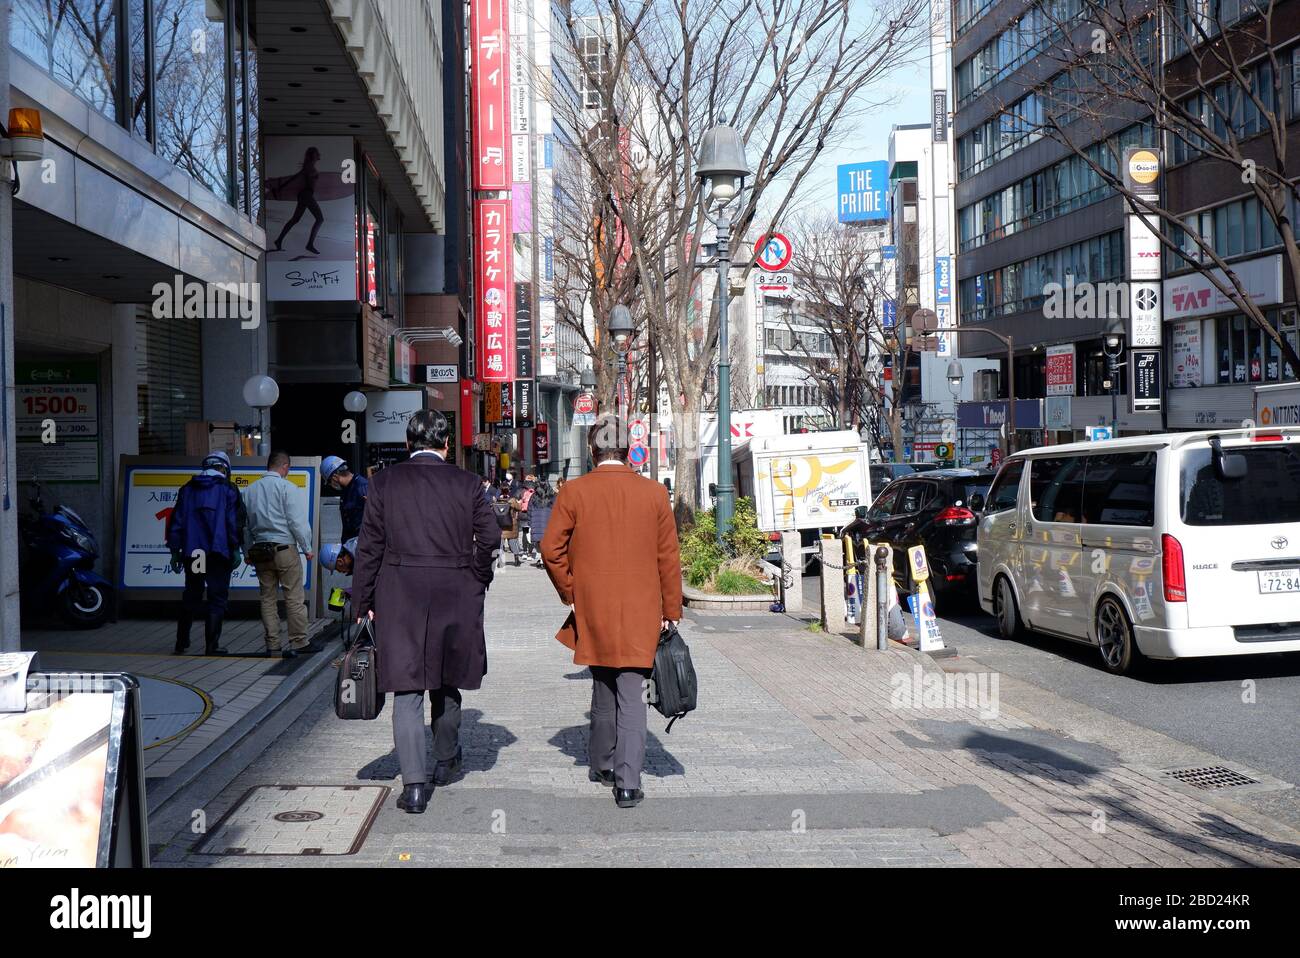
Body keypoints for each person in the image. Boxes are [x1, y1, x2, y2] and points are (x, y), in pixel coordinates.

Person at [352, 410, 499, 814]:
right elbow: (489, 535)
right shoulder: (468, 484)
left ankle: (414, 787)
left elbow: (369, 547)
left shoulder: (384, 483)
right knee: (447, 679)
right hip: (455, 589)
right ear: (447, 444)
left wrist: (362, 602)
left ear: (407, 444)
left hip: (399, 594)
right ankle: (446, 761)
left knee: (407, 685)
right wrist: (478, 574)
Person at [540, 414, 682, 809]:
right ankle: (627, 782)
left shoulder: (574, 492)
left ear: (592, 449)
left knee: (602, 682)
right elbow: (668, 557)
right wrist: (670, 608)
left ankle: (602, 763)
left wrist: (571, 591)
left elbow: (550, 549)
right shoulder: (654, 493)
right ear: (628, 450)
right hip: (641, 608)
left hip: (593, 605)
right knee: (633, 692)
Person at [168, 451, 246, 656]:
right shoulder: (228, 489)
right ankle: (212, 646)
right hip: (219, 553)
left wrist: (175, 551)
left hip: (196, 553)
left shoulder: (188, 489)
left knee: (192, 592)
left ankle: (181, 642)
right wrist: (236, 549)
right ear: (225, 469)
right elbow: (233, 523)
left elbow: (177, 522)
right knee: (217, 596)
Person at [244, 451, 317, 658]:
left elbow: (245, 527)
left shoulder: (249, 491)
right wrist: (307, 548)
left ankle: (273, 644)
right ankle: (299, 642)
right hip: (284, 549)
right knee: (294, 596)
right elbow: (297, 522)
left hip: (260, 551)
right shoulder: (287, 487)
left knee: (267, 598)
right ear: (284, 466)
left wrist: (247, 551)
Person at [322, 455, 369, 542]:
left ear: (334, 477)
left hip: (363, 546)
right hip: (352, 546)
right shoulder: (347, 491)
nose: (331, 485)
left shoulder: (362, 487)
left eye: (329, 482)